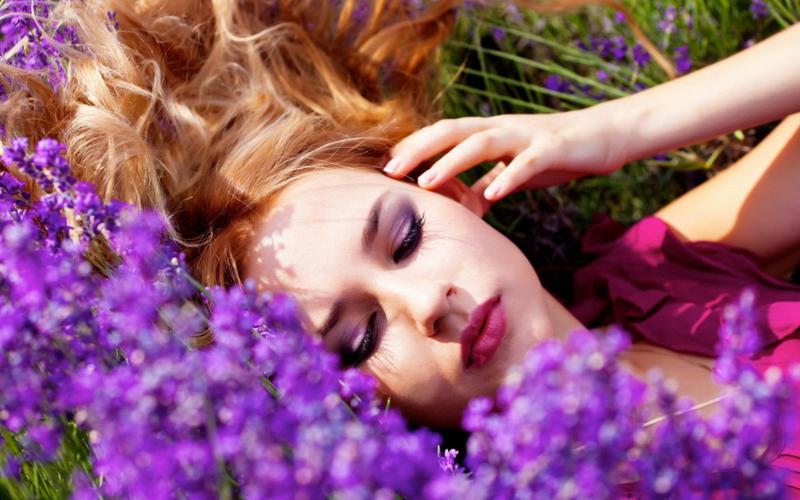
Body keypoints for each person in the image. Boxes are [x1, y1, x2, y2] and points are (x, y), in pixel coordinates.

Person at [2, 0, 798, 492]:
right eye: (359, 338)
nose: (426, 305)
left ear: (450, 190)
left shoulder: (655, 279)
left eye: (406, 239)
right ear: (354, 407)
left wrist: (615, 130)